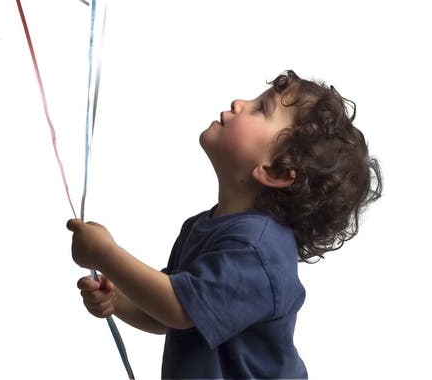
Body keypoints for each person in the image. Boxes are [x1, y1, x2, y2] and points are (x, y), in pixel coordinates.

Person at [67, 69, 382, 379]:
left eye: (261, 109)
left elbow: (177, 308)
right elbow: (170, 316)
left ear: (274, 171)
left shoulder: (257, 250)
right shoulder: (204, 225)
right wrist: (118, 300)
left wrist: (106, 254)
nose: (238, 103)